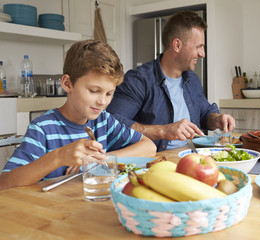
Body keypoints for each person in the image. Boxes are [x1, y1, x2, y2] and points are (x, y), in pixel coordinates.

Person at [0, 40, 157, 191]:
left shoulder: (104, 121)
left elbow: (149, 147)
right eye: (94, 91)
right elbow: (4, 183)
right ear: (68, 84)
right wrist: (58, 157)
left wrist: (102, 160)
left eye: (109, 93)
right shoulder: (43, 128)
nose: (103, 101)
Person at [107, 10, 235, 151]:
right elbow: (113, 122)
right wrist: (163, 131)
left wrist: (217, 119)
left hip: (190, 154)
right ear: (177, 45)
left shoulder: (192, 79)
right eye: (198, 46)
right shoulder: (138, 80)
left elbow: (204, 112)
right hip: (156, 160)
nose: (202, 54)